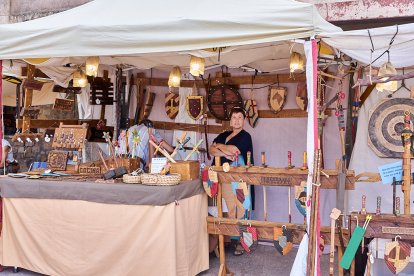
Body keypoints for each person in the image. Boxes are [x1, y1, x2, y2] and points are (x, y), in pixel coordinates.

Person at [209, 106, 254, 256]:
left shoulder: (245, 136)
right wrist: (222, 150)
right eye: (234, 117)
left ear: (244, 120)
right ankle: (232, 239)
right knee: (230, 207)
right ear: (230, 120)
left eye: (239, 117)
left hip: (240, 177)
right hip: (226, 177)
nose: (236, 120)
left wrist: (220, 147)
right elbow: (211, 150)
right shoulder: (224, 134)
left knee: (242, 206)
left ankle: (243, 242)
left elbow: (235, 150)